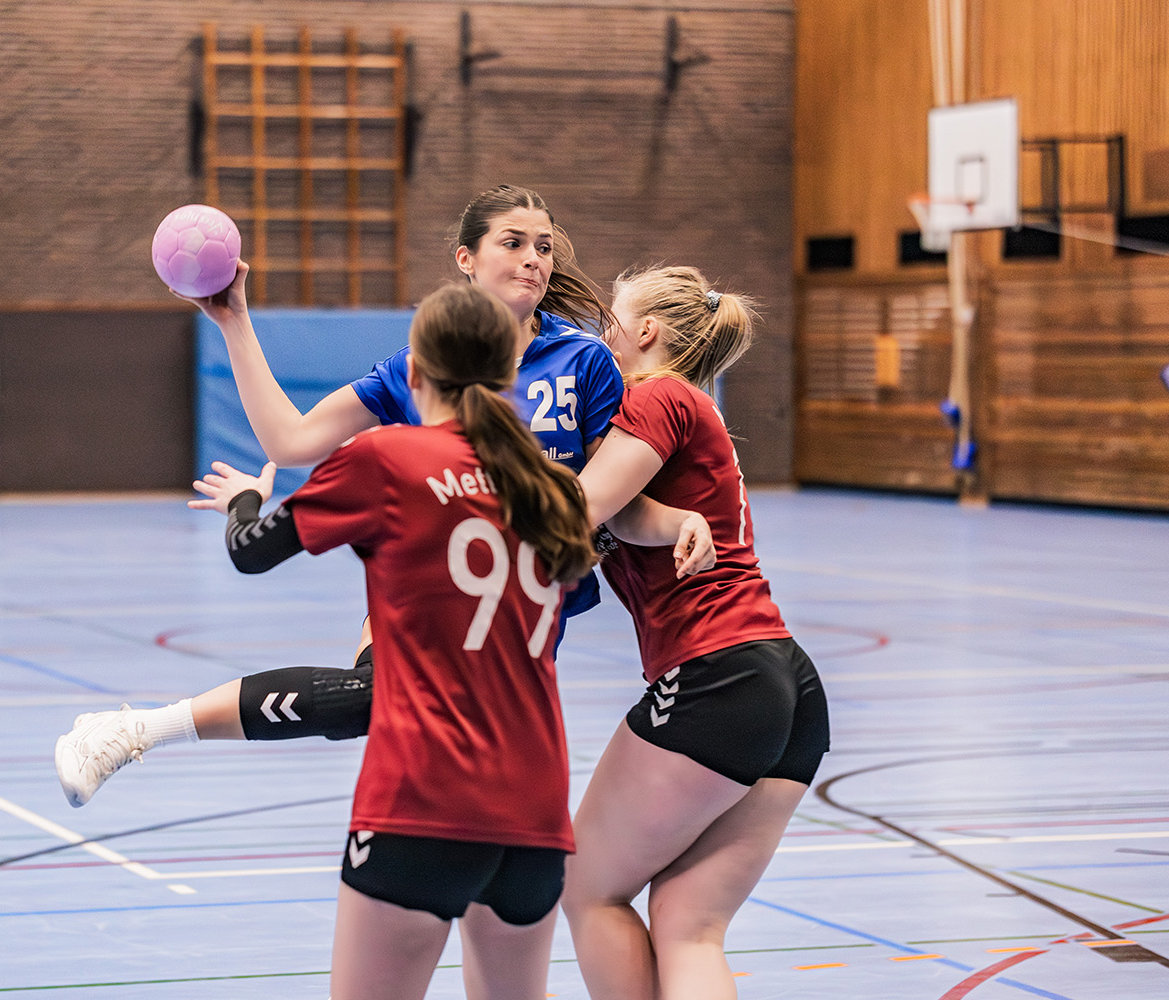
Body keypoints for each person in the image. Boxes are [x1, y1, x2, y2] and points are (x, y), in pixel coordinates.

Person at [54, 185, 710, 804]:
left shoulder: (585, 361)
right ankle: (137, 731)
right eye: (513, 242)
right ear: (467, 259)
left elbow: (609, 497)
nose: (534, 259)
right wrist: (234, 323)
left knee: (483, 800)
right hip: (432, 586)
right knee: (375, 701)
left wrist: (679, 519)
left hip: (529, 612)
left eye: (544, 246)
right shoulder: (419, 368)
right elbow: (293, 440)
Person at [187, 283, 598, 1000]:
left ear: (414, 374)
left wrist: (244, 500)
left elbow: (253, 550)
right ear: (509, 374)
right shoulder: (553, 488)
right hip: (535, 809)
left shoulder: (388, 458)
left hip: (425, 796)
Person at [562, 265, 830, 1000]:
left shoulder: (660, 395)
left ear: (645, 332)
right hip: (783, 681)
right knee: (687, 923)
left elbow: (579, 510)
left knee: (588, 889)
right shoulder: (687, 405)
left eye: (611, 319)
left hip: (718, 676)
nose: (599, 334)